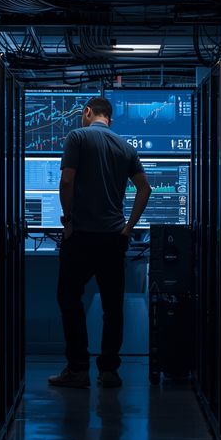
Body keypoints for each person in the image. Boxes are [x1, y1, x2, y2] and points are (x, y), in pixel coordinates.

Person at [48, 96, 152, 389]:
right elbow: (145, 189)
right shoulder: (126, 147)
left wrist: (68, 220)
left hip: (80, 236)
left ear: (88, 112)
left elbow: (67, 181)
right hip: (112, 238)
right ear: (110, 120)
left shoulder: (77, 137)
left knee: (69, 299)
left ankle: (78, 369)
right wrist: (128, 228)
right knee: (112, 307)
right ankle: (109, 371)